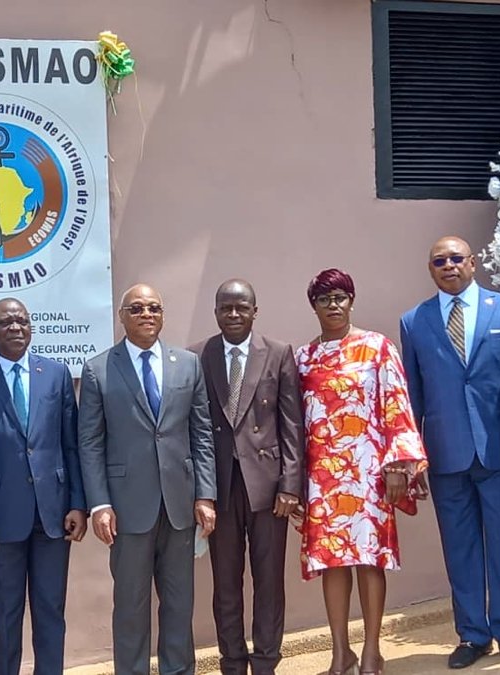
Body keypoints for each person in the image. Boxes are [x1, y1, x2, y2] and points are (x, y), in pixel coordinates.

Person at [78, 283, 216, 675]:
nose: (146, 315)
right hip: (126, 508)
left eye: (154, 308)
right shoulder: (99, 369)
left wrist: (205, 494)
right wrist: (100, 504)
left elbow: (201, 432)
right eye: (136, 308)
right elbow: (89, 442)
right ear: (121, 317)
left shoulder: (186, 364)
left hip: (179, 507)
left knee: (179, 605)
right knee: (131, 608)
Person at [296, 269, 427, 675]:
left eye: (340, 297)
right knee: (331, 563)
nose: (333, 305)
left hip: (371, 471)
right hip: (323, 473)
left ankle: (372, 651)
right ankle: (341, 653)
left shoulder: (377, 348)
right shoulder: (303, 358)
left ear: (352, 301)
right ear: (313, 306)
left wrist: (397, 467)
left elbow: (396, 407)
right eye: (324, 299)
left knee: (370, 560)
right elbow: (295, 421)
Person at [0, 298, 87, 675]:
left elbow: (71, 444)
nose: (15, 327)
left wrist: (78, 502)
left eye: (22, 321)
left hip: (53, 517)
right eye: (6, 322)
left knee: (50, 614)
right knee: (6, 618)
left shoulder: (56, 374)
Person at [400, 236, 500, 669]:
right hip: (446, 457)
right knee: (459, 549)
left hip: (497, 453)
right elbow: (412, 397)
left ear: (473, 262)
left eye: (456, 258)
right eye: (439, 261)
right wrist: (413, 458)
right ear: (430, 269)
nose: (448, 266)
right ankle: (473, 635)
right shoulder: (413, 321)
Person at [194, 279, 305, 675]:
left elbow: (293, 425)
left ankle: (265, 662)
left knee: (269, 580)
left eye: (242, 308)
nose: (234, 315)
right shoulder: (199, 356)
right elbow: (197, 429)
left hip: (269, 488)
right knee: (225, 583)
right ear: (216, 312)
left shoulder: (277, 354)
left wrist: (291, 485)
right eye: (226, 308)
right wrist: (201, 493)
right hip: (220, 488)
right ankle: (232, 662)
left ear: (255, 311)